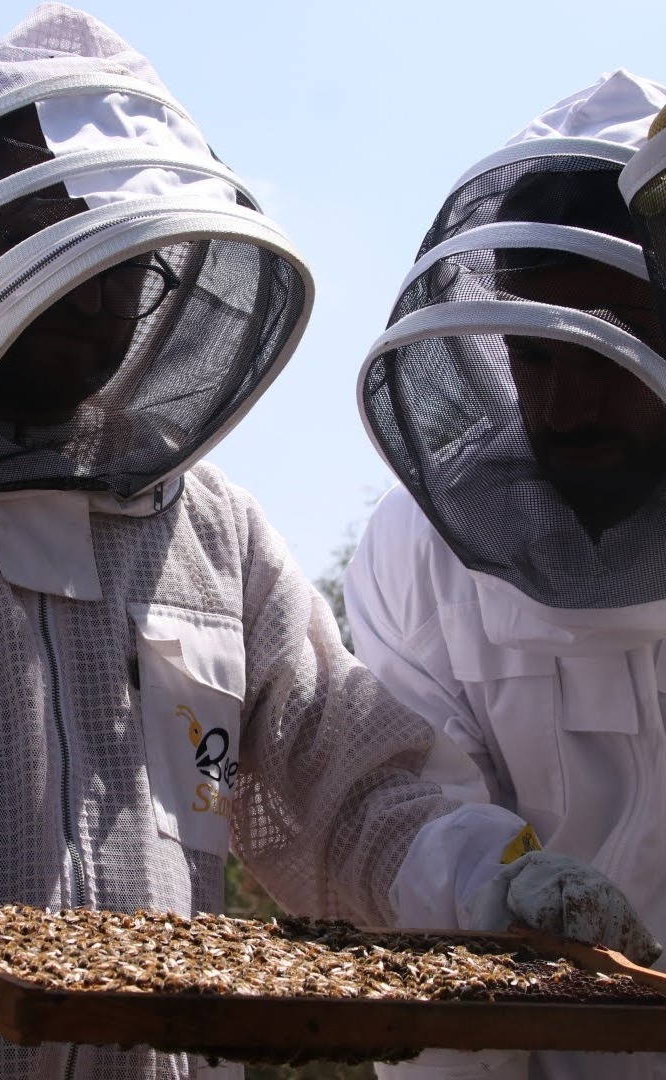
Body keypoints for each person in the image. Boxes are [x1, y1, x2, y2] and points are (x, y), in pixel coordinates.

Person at [0, 11, 656, 1080]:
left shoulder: (217, 535)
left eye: (121, 263)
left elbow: (357, 798)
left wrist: (496, 880)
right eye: (47, 244)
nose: (86, 297)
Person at [346, 71, 666, 1080]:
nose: (570, 402)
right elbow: (419, 836)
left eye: (614, 347)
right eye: (538, 352)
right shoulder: (419, 553)